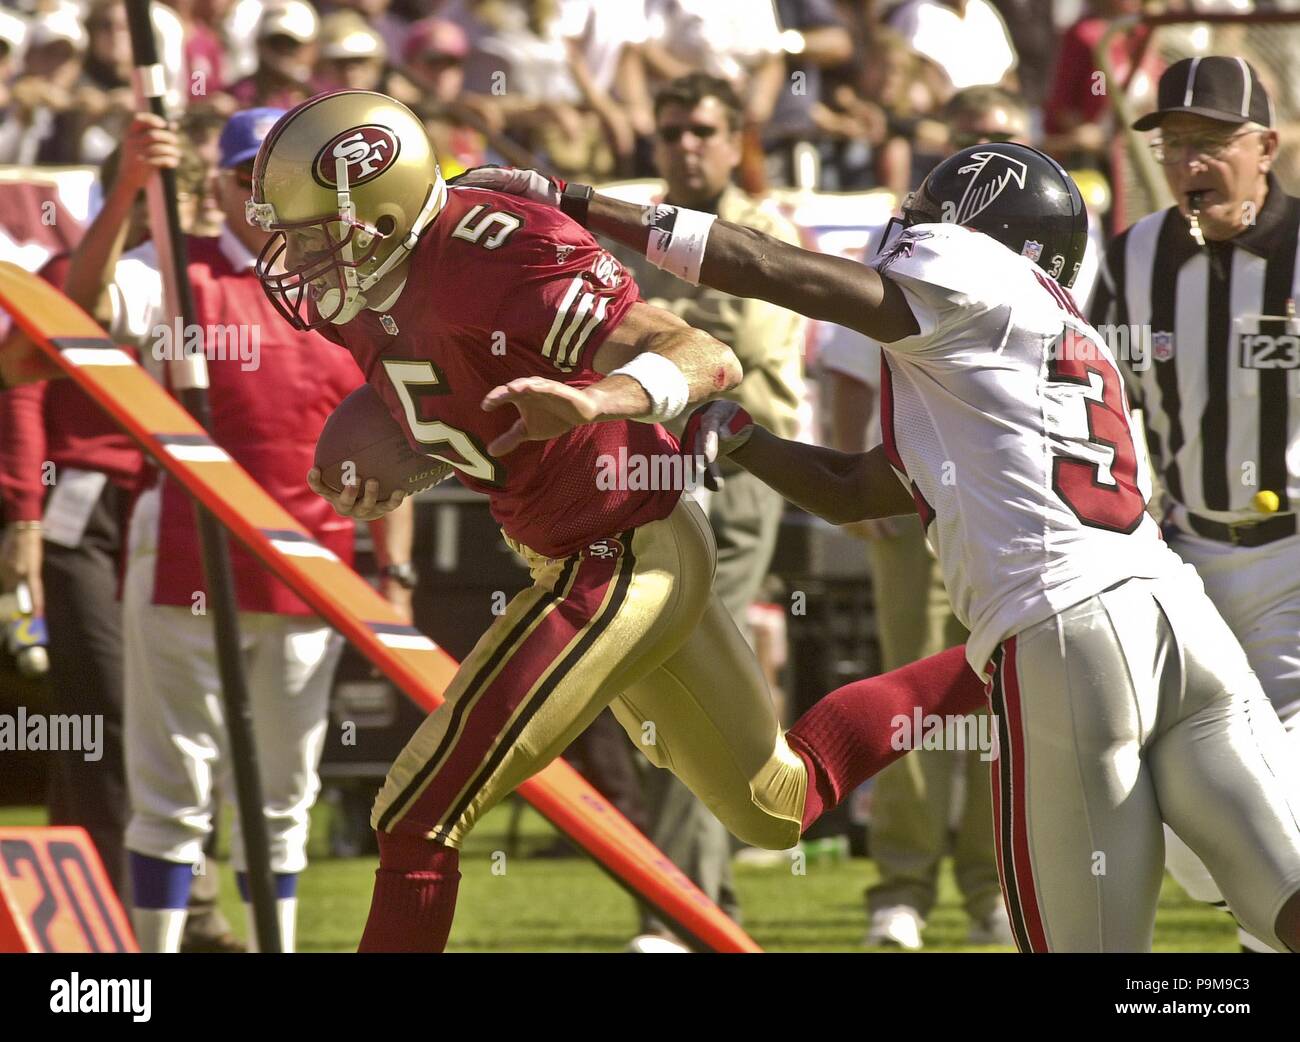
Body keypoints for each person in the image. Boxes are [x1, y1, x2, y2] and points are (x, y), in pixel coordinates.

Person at [468, 138, 1300, 952]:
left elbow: (770, 268)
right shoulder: (1036, 338)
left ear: (975, 226)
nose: (911, 224)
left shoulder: (975, 279)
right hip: (1178, 618)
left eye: (931, 210)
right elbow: (859, 490)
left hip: (1065, 622)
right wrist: (741, 435)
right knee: (1284, 902)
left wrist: (576, 202)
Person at [247, 90, 994, 952]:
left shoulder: (500, 252)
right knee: (776, 805)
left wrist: (599, 397)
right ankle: (999, 659)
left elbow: (700, 354)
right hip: (580, 545)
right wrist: (415, 462)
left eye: (309, 235)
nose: (297, 258)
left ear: (379, 216)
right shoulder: (369, 280)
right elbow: (467, 392)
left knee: (419, 810)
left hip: (617, 550)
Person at [61, 107, 406, 953]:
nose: (261, 195)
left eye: (275, 174)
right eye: (245, 175)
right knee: (173, 791)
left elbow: (399, 438)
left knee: (284, 799)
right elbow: (84, 310)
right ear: (216, 186)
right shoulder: (173, 273)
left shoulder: (351, 293)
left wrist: (393, 571)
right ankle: (152, 958)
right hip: (186, 555)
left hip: (310, 566)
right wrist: (132, 191)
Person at [1091, 55, 1300, 954]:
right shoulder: (1136, 255)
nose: (1189, 164)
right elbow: (1093, 395)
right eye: (1175, 145)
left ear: (1267, 147)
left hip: (1295, 560)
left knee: (1283, 797)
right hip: (1187, 563)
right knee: (1180, 801)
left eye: (1211, 143)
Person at [603, 72, 807, 950]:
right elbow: (606, 334)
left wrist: (657, 329)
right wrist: (668, 330)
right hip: (645, 472)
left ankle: (671, 913)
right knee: (660, 676)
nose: (688, 144)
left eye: (704, 130)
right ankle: (703, 906)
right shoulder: (636, 229)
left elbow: (737, 346)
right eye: (673, 129)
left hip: (737, 471)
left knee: (691, 671)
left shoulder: (765, 232)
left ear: (736, 140)